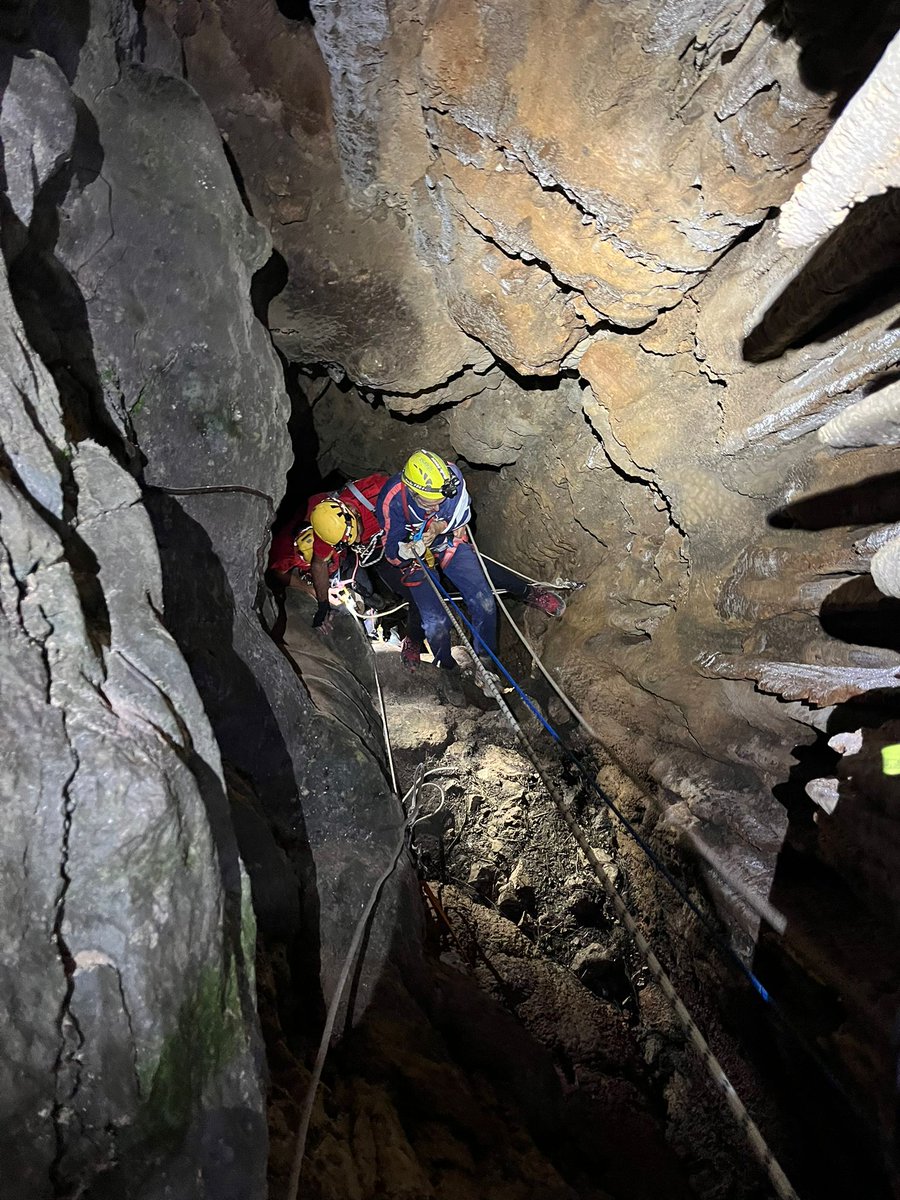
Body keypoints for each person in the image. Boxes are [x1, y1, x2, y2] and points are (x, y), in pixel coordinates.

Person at [377, 450, 564, 670]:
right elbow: (390, 551)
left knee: (484, 602)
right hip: (415, 557)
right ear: (412, 491)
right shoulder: (393, 500)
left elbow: (461, 515)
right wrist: (406, 552)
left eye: (440, 502)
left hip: (446, 542)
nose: (436, 508)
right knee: (436, 624)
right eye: (429, 504)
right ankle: (447, 667)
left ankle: (486, 664)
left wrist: (439, 527)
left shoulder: (451, 480)